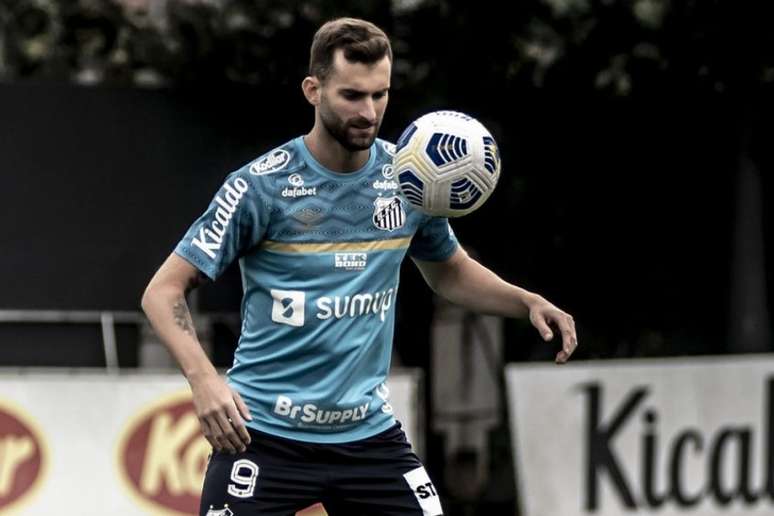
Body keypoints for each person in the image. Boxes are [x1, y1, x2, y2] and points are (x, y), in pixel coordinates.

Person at [141, 17, 577, 516]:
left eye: (380, 95)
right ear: (313, 89)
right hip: (265, 438)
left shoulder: (412, 180)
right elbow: (163, 292)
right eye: (352, 95)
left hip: (368, 440)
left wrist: (525, 301)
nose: (369, 112)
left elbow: (449, 271)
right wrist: (204, 381)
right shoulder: (260, 188)